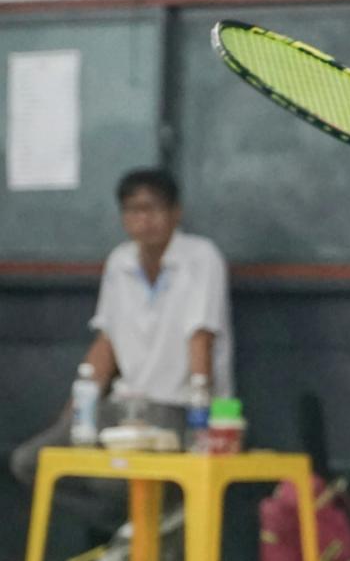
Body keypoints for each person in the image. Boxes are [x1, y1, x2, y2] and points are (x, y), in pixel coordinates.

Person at [10, 168, 233, 525]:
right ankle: (128, 529)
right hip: (124, 409)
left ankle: (145, 529)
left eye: (153, 209)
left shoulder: (201, 257)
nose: (144, 220)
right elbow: (105, 344)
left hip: (177, 410)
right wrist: (72, 418)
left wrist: (202, 426)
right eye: (133, 210)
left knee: (112, 481)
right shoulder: (120, 261)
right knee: (30, 462)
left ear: (175, 213)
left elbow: (201, 342)